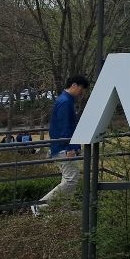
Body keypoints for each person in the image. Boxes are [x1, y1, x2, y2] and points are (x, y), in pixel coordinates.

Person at [32, 75, 89, 215]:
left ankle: (63, 210)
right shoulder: (65, 102)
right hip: (63, 148)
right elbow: (65, 128)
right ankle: (40, 206)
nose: (82, 92)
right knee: (71, 179)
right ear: (74, 85)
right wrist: (70, 148)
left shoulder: (64, 100)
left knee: (68, 179)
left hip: (61, 146)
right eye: (82, 89)